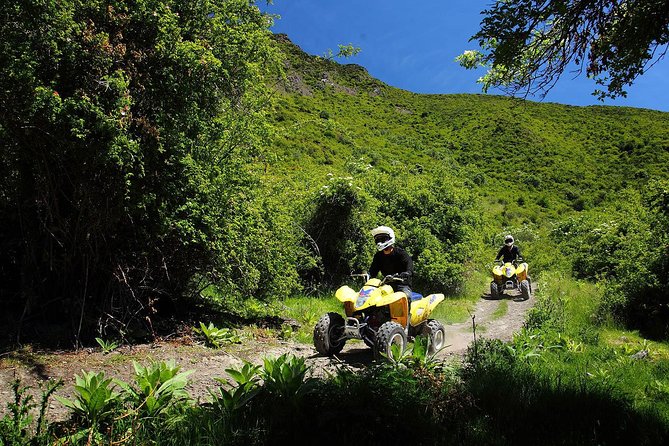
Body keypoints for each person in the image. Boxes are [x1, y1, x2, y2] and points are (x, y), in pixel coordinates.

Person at [368, 226, 413, 300]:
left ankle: (407, 312)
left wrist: (406, 273)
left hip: (402, 285)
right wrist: (367, 275)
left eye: (382, 239)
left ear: (390, 238)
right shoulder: (378, 256)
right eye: (377, 240)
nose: (379, 242)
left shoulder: (401, 254)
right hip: (386, 285)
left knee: (405, 297)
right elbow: (373, 271)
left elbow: (409, 268)